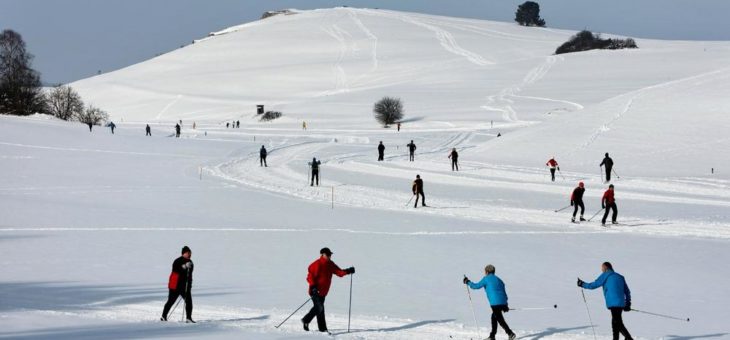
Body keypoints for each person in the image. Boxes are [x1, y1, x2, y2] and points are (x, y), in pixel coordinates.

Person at [302, 247, 354, 333]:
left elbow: (339, 272)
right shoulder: (317, 264)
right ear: (322, 254)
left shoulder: (330, 264)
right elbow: (309, 277)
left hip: (323, 292)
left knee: (320, 309)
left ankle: (321, 328)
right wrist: (313, 287)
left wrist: (348, 271)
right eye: (328, 254)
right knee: (319, 307)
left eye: (330, 254)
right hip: (315, 291)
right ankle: (307, 321)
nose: (330, 256)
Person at [578, 262, 633, 340]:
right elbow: (627, 291)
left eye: (602, 268)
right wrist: (628, 303)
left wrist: (582, 284)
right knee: (615, 323)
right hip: (621, 303)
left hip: (613, 303)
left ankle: (629, 338)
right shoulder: (620, 277)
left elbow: (594, 285)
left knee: (618, 323)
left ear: (606, 268)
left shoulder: (605, 275)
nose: (601, 270)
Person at [463, 265, 516, 340]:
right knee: (494, 317)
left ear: (487, 272)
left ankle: (510, 333)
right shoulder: (499, 280)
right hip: (503, 302)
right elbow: (504, 293)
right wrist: (505, 305)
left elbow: (476, 286)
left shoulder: (486, 279)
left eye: (485, 271)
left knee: (499, 319)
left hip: (495, 303)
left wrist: (467, 282)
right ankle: (492, 336)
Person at [161, 246, 195, 323]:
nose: (189, 254)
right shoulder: (177, 261)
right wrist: (184, 267)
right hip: (175, 286)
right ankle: (163, 316)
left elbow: (189, 275)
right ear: (183, 253)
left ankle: (188, 318)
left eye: (190, 253)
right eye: (188, 253)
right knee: (170, 301)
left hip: (184, 286)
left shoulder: (191, 262)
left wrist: (189, 285)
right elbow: (176, 270)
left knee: (189, 301)